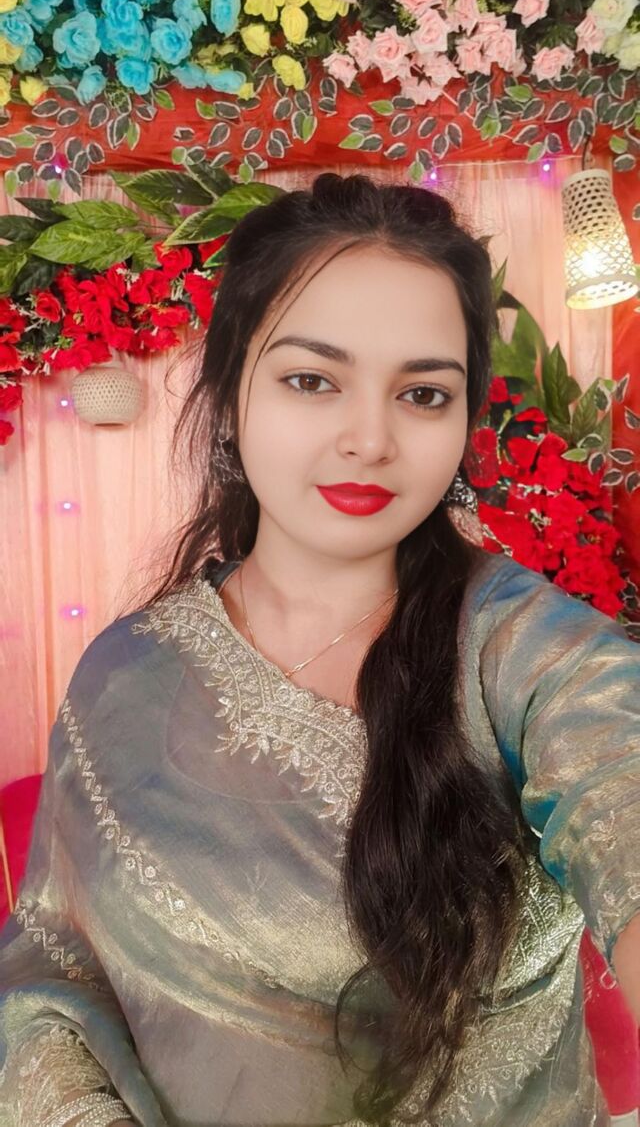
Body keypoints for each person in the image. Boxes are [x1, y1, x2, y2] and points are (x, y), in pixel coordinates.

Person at [0, 171, 639, 1127]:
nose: (370, 439)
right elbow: (52, 968)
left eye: (423, 394)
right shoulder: (125, 674)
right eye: (312, 380)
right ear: (230, 392)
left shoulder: (532, 658)